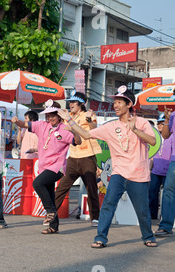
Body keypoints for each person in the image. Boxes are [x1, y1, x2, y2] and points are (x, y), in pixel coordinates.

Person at [58, 85, 158, 248]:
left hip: (138, 174)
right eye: (115, 102)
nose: (116, 105)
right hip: (119, 173)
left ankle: (148, 236)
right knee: (108, 205)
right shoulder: (111, 126)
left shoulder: (141, 122)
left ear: (129, 104)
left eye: (119, 102)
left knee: (142, 211)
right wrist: (68, 119)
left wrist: (135, 130)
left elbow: (152, 141)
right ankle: (100, 238)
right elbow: (87, 134)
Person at [13, 100, 81, 234]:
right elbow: (25, 124)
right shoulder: (41, 125)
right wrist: (17, 122)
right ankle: (53, 227)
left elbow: (78, 141)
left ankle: (49, 211)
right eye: (47, 115)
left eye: (52, 115)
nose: (50, 118)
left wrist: (74, 130)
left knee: (37, 183)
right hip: (44, 167)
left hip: (58, 167)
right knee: (49, 195)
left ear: (59, 115)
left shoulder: (64, 128)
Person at [53, 91, 102, 227]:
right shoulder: (68, 116)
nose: (71, 104)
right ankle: (51, 214)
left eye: (74, 102)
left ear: (81, 104)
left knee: (91, 188)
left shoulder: (88, 114)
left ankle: (95, 218)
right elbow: (55, 120)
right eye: (70, 101)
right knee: (62, 187)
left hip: (87, 156)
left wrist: (87, 119)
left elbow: (93, 129)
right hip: (73, 158)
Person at [155, 106, 175, 236]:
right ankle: (166, 226)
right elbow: (165, 135)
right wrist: (167, 119)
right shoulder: (173, 115)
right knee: (168, 190)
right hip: (174, 159)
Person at [148, 113, 173, 220]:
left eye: (162, 123)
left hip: (168, 171)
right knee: (152, 194)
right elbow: (151, 154)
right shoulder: (155, 137)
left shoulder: (171, 137)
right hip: (155, 171)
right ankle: (152, 216)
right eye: (158, 123)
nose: (159, 125)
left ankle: (165, 217)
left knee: (167, 196)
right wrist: (150, 168)